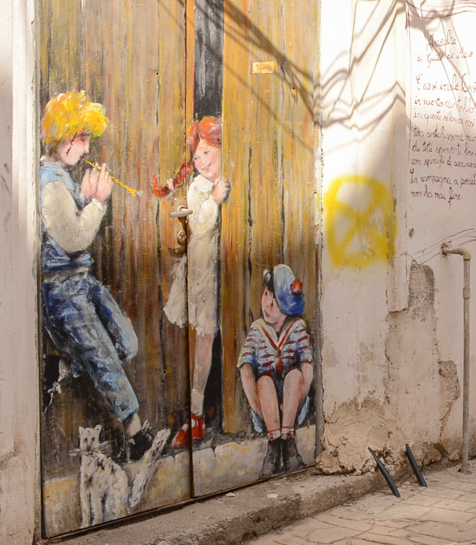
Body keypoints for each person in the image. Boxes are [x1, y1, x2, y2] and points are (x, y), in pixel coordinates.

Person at [39, 90, 156, 461]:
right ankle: (136, 433)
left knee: (126, 342)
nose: (88, 149)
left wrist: (87, 197)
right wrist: (97, 203)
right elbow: (73, 239)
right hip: (62, 291)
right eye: (84, 138)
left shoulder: (62, 177)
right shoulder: (51, 184)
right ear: (66, 137)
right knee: (104, 355)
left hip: (82, 282)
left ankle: (65, 361)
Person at [152, 117, 230, 448]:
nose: (201, 162)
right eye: (197, 156)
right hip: (203, 272)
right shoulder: (201, 186)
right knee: (203, 337)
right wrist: (213, 200)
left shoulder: (225, 178)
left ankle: (203, 410)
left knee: (213, 337)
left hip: (221, 271)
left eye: (207, 153)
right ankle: (196, 414)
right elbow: (198, 226)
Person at [238, 264, 314, 477]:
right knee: (264, 382)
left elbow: (307, 366)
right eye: (266, 295)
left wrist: (301, 396)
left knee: (295, 375)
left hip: (292, 397)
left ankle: (288, 441)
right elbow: (246, 369)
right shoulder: (257, 331)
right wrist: (258, 407)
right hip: (266, 399)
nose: (267, 304)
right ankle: (274, 445)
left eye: (275, 301)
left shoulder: (297, 328)